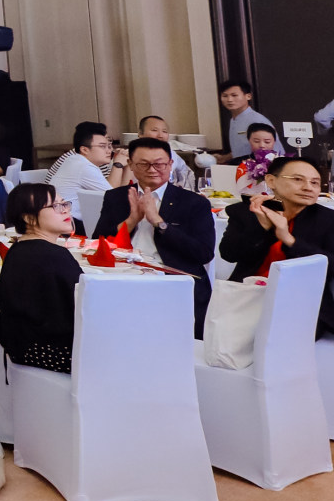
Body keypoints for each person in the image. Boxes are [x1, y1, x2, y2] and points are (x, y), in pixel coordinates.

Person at [87, 137, 215, 336]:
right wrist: (131, 221)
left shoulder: (193, 202)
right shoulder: (116, 197)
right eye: (143, 164)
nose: (152, 169)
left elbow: (203, 253)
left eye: (159, 164)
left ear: (170, 164)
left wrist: (159, 223)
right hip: (123, 276)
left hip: (172, 280)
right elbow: (98, 243)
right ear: (131, 165)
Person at [219, 157, 334, 338]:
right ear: (271, 181)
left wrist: (290, 240)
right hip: (245, 299)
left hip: (301, 306)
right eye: (298, 179)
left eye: (315, 183)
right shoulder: (246, 212)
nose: (308, 187)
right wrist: (263, 229)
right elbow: (228, 253)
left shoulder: (329, 220)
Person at [0, 184, 81, 372]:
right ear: (29, 218)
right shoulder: (53, 255)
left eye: (64, 203)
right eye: (55, 206)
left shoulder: (17, 250)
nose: (65, 210)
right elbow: (83, 305)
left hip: (23, 350)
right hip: (55, 353)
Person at [49, 122, 128, 228]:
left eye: (109, 146)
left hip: (64, 219)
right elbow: (113, 197)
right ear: (84, 149)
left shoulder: (76, 160)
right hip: (69, 223)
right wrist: (118, 165)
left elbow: (119, 193)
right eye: (102, 146)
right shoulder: (83, 167)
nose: (109, 150)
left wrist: (127, 165)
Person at [218, 79, 279, 159]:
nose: (229, 100)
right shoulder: (233, 119)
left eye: (234, 95)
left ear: (248, 96)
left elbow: (273, 151)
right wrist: (225, 158)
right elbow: (243, 149)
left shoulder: (257, 120)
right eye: (225, 96)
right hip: (240, 164)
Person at [136, 114, 191, 184]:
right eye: (154, 130)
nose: (160, 135)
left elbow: (186, 173)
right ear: (140, 134)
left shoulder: (172, 154)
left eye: (164, 131)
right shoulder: (133, 155)